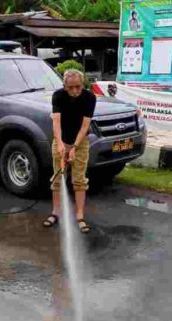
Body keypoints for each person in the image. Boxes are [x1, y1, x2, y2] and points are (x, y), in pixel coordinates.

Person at [43, 69, 96, 234]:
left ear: (83, 85)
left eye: (78, 87)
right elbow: (56, 122)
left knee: (79, 179)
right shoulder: (58, 96)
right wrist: (60, 144)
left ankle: (79, 216)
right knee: (57, 178)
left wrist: (73, 147)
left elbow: (85, 126)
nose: (74, 91)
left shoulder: (90, 98)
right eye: (70, 87)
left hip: (80, 142)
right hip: (60, 140)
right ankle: (55, 213)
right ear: (64, 85)